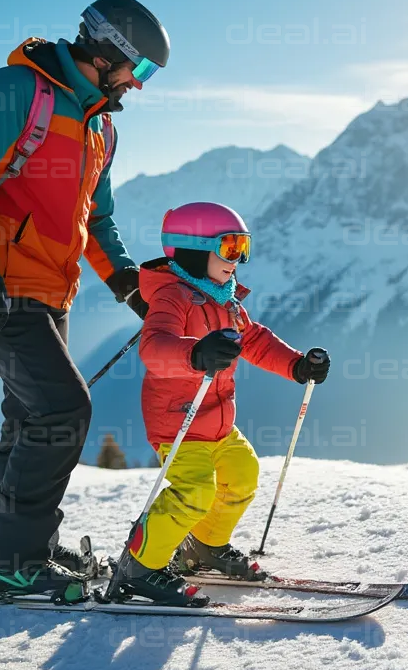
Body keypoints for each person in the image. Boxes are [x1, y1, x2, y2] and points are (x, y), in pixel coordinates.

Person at [0, 0, 167, 600]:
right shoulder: (17, 91)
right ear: (109, 50)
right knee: (63, 409)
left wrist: (128, 286)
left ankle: (16, 543)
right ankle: (14, 559)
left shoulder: (98, 127)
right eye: (139, 70)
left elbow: (97, 220)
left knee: (28, 416)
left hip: (51, 289)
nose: (139, 86)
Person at [116, 202, 330, 606]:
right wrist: (195, 354)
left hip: (217, 422)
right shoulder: (172, 297)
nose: (239, 259)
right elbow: (154, 346)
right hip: (177, 423)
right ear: (195, 251)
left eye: (243, 248)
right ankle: (140, 566)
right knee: (194, 489)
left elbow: (254, 341)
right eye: (230, 248)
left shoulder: (225, 299)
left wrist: (297, 365)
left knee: (243, 474)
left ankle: (205, 547)